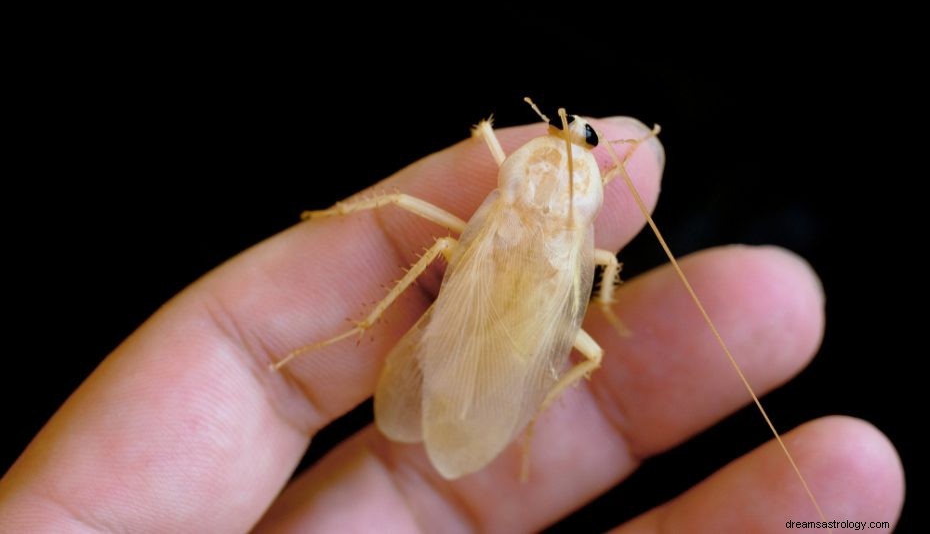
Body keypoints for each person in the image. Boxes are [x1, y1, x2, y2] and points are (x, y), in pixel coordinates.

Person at [0, 119, 903, 531]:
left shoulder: (530, 181)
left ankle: (485, 408)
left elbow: (463, 186)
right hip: (525, 296)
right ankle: (510, 416)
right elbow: (600, 264)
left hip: (500, 284)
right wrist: (610, 292)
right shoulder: (589, 233)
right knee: (547, 327)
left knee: (437, 253)